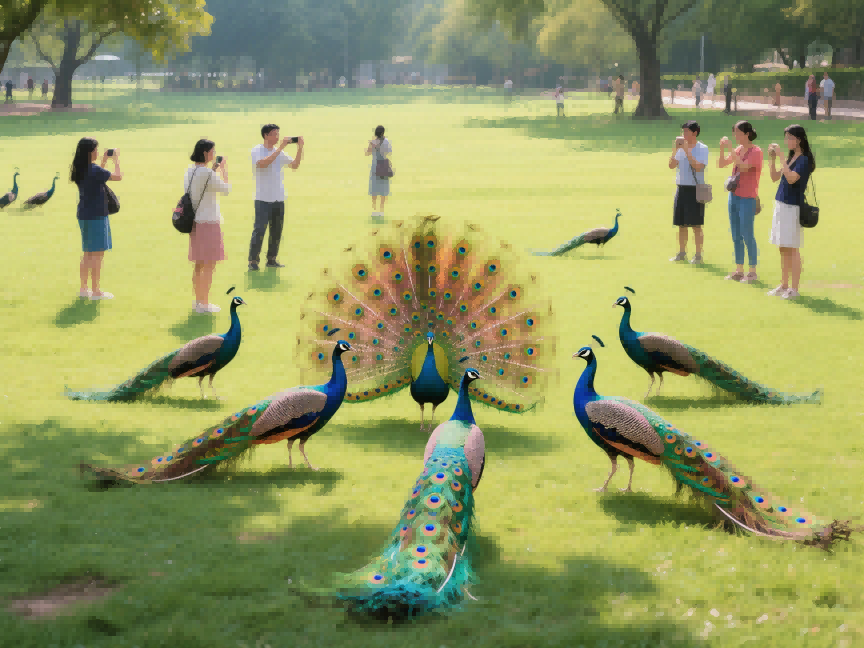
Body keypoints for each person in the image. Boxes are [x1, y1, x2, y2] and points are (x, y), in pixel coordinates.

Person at [70, 137, 123, 300]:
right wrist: (116, 161)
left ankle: (84, 288)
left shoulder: (80, 169)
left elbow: (97, 176)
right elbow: (118, 177)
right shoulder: (93, 170)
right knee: (98, 254)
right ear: (89, 152)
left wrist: (103, 161)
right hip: (97, 215)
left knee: (87, 253)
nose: (97, 152)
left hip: (84, 215)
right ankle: (96, 291)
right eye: (95, 150)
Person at [766, 125, 814, 300]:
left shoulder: (804, 160)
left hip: (793, 206)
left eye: (789, 138)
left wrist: (781, 158)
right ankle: (784, 284)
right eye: (785, 138)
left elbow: (792, 178)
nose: (786, 141)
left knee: (792, 247)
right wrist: (773, 159)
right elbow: (774, 177)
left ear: (799, 139)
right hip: (781, 203)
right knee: (782, 246)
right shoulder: (792, 157)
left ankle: (794, 289)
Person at [248, 123, 303, 271]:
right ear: (266, 135)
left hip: (278, 198)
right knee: (259, 230)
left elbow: (295, 165)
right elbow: (263, 164)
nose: (277, 137)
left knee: (276, 230)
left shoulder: (280, 153)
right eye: (274, 134)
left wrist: (300, 148)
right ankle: (253, 261)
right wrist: (280, 148)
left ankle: (271, 259)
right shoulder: (257, 150)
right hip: (262, 198)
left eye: (278, 134)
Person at [186, 139, 231, 313]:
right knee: (209, 265)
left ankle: (198, 302)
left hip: (195, 222)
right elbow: (226, 189)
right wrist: (224, 170)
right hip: (209, 222)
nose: (214, 155)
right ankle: (204, 303)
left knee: (199, 264)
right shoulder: (206, 173)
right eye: (212, 152)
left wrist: (214, 172)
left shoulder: (190, 171)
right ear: (205, 153)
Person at [718, 121, 763, 283]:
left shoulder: (756, 151)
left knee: (747, 233)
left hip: (748, 197)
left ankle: (752, 272)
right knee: (736, 234)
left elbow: (743, 166)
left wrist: (730, 148)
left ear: (747, 134)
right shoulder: (738, 149)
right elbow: (721, 164)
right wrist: (723, 149)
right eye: (734, 133)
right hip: (734, 196)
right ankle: (739, 270)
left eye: (737, 133)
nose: (735, 137)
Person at [668, 121, 710, 264]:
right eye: (682, 132)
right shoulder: (680, 148)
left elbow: (698, 167)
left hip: (695, 189)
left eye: (686, 132)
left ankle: (698, 255)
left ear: (695, 133)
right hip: (681, 188)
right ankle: (682, 253)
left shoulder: (702, 148)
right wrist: (675, 149)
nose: (683, 135)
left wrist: (687, 151)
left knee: (696, 225)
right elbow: (671, 165)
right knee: (681, 224)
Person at [366, 125, 392, 221]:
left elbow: (367, 153)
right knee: (383, 190)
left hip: (375, 167)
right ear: (383, 133)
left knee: (374, 189)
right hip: (384, 167)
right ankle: (381, 211)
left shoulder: (373, 142)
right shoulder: (386, 141)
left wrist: (373, 146)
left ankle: (374, 211)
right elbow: (389, 153)